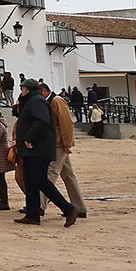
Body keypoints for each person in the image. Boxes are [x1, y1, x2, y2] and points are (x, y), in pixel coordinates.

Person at [16, 79, 78, 226]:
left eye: (22, 88)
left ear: (26, 89)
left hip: (38, 148)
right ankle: (33, 214)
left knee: (40, 180)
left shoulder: (36, 101)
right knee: (30, 181)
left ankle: (68, 209)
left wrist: (29, 138)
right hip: (33, 149)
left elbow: (41, 121)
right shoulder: (32, 101)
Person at [46, 87, 88, 219]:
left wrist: (67, 143)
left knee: (50, 175)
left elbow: (66, 122)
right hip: (59, 143)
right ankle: (79, 207)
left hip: (59, 144)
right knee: (69, 176)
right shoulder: (53, 101)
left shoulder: (56, 100)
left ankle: (38, 206)